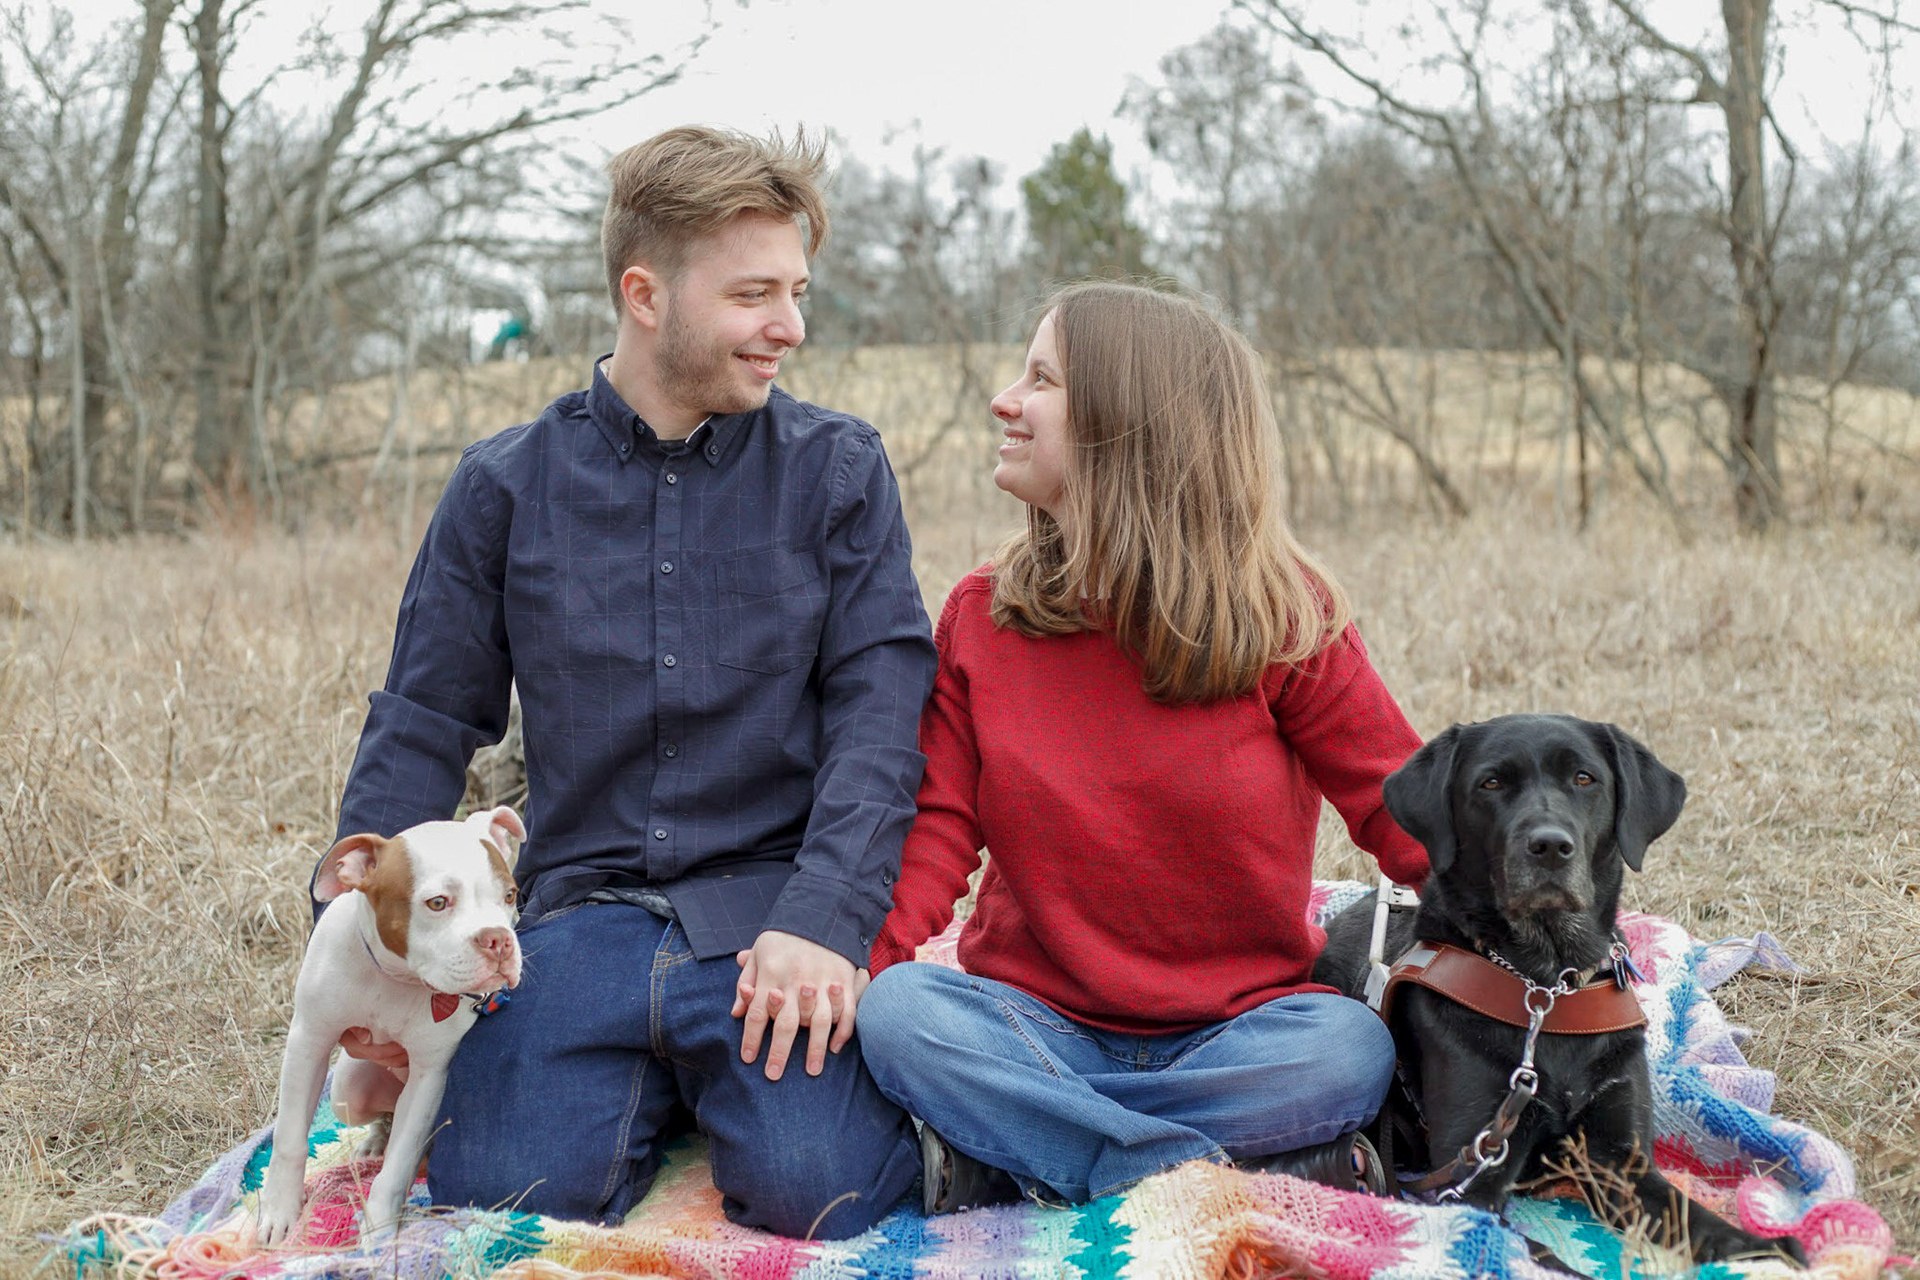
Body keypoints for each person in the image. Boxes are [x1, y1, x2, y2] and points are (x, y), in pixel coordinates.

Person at [318, 126, 933, 1238]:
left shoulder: (838, 471)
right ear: (644, 295)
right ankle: (646, 1089)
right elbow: (424, 719)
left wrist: (827, 921)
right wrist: (370, 951)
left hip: (765, 918)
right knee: (506, 1195)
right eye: (753, 294)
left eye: (794, 292)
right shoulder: (504, 486)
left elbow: (881, 720)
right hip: (577, 918)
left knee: (820, 1190)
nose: (790, 326)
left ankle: (753, 1098)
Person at [855, 282, 1430, 1212]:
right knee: (900, 1014)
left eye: (1040, 380)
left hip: (1237, 1035)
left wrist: (1537, 935)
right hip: (1031, 1026)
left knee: (1349, 1051)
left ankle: (1020, 1157)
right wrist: (859, 964)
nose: (1005, 400)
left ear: (1126, 422)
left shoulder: (1287, 619)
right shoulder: (983, 616)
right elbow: (935, 831)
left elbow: (1401, 809)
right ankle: (1211, 1169)